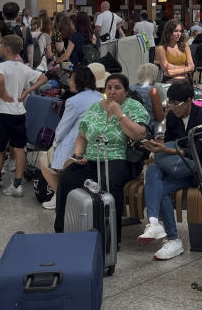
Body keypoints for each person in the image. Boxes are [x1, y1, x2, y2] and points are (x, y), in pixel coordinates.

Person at [54, 73, 149, 236]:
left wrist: (119, 114)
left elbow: (138, 134)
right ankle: (63, 231)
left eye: (117, 88)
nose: (112, 91)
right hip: (90, 159)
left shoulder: (133, 106)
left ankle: (109, 235)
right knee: (67, 178)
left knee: (109, 182)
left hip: (119, 159)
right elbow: (82, 136)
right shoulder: (95, 107)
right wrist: (77, 156)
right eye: (109, 87)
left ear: (126, 92)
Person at [138, 79, 202, 260]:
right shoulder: (172, 116)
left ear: (188, 101)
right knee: (155, 174)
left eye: (176, 104)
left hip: (195, 170)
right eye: (170, 103)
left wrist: (170, 150)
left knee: (157, 175)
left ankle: (168, 235)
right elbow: (170, 142)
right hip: (175, 167)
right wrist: (158, 146)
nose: (172, 108)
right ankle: (158, 226)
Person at [0, 35, 47, 200]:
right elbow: (43, 78)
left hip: (2, 112)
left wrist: (4, 93)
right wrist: (27, 91)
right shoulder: (24, 68)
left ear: (6, 49)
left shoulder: (1, 65)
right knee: (19, 149)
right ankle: (17, 185)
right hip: (19, 112)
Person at [39, 66, 102, 210]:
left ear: (78, 81)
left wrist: (55, 143)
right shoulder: (99, 97)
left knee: (44, 161)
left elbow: (63, 127)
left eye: (71, 79)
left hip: (74, 144)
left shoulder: (74, 101)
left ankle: (59, 196)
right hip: (94, 143)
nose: (69, 82)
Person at [1, 2, 34, 68]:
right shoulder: (25, 30)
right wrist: (30, 67)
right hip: (20, 66)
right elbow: (30, 53)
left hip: (0, 66)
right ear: (17, 15)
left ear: (2, 14)